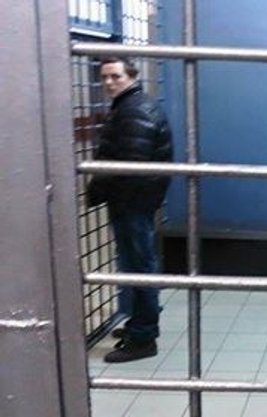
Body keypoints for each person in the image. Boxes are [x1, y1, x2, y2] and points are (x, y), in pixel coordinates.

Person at [87, 57, 173, 363]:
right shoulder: (133, 105)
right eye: (104, 77)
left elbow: (129, 166)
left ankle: (143, 339)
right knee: (138, 265)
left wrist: (98, 190)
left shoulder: (134, 109)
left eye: (115, 76)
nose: (109, 82)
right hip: (137, 200)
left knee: (140, 268)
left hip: (132, 203)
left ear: (132, 75)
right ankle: (139, 324)